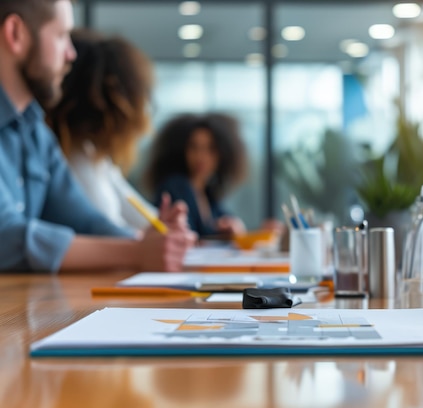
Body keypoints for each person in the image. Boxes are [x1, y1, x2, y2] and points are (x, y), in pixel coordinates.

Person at [0, 0, 194, 272]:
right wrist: (135, 252)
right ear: (15, 34)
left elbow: (86, 220)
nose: (71, 54)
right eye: (60, 36)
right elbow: (5, 237)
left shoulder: (35, 132)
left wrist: (157, 243)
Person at [46, 28, 156, 232]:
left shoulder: (94, 156)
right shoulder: (66, 157)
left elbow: (142, 217)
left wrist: (165, 228)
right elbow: (108, 232)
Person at [145, 113, 248, 236]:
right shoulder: (175, 186)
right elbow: (186, 235)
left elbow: (228, 222)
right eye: (194, 147)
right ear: (182, 150)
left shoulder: (208, 194)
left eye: (210, 149)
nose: (201, 156)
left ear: (223, 154)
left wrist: (234, 227)